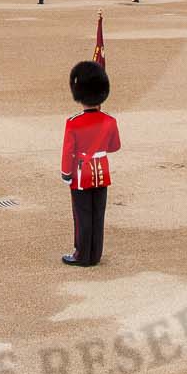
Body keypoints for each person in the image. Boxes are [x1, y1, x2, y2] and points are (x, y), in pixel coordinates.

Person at [59, 59, 118, 267]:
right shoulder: (110, 121)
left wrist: (66, 173)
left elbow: (68, 151)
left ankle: (81, 254)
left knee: (82, 214)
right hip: (102, 172)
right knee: (97, 213)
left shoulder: (73, 122)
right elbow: (114, 147)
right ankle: (95, 254)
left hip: (81, 174)